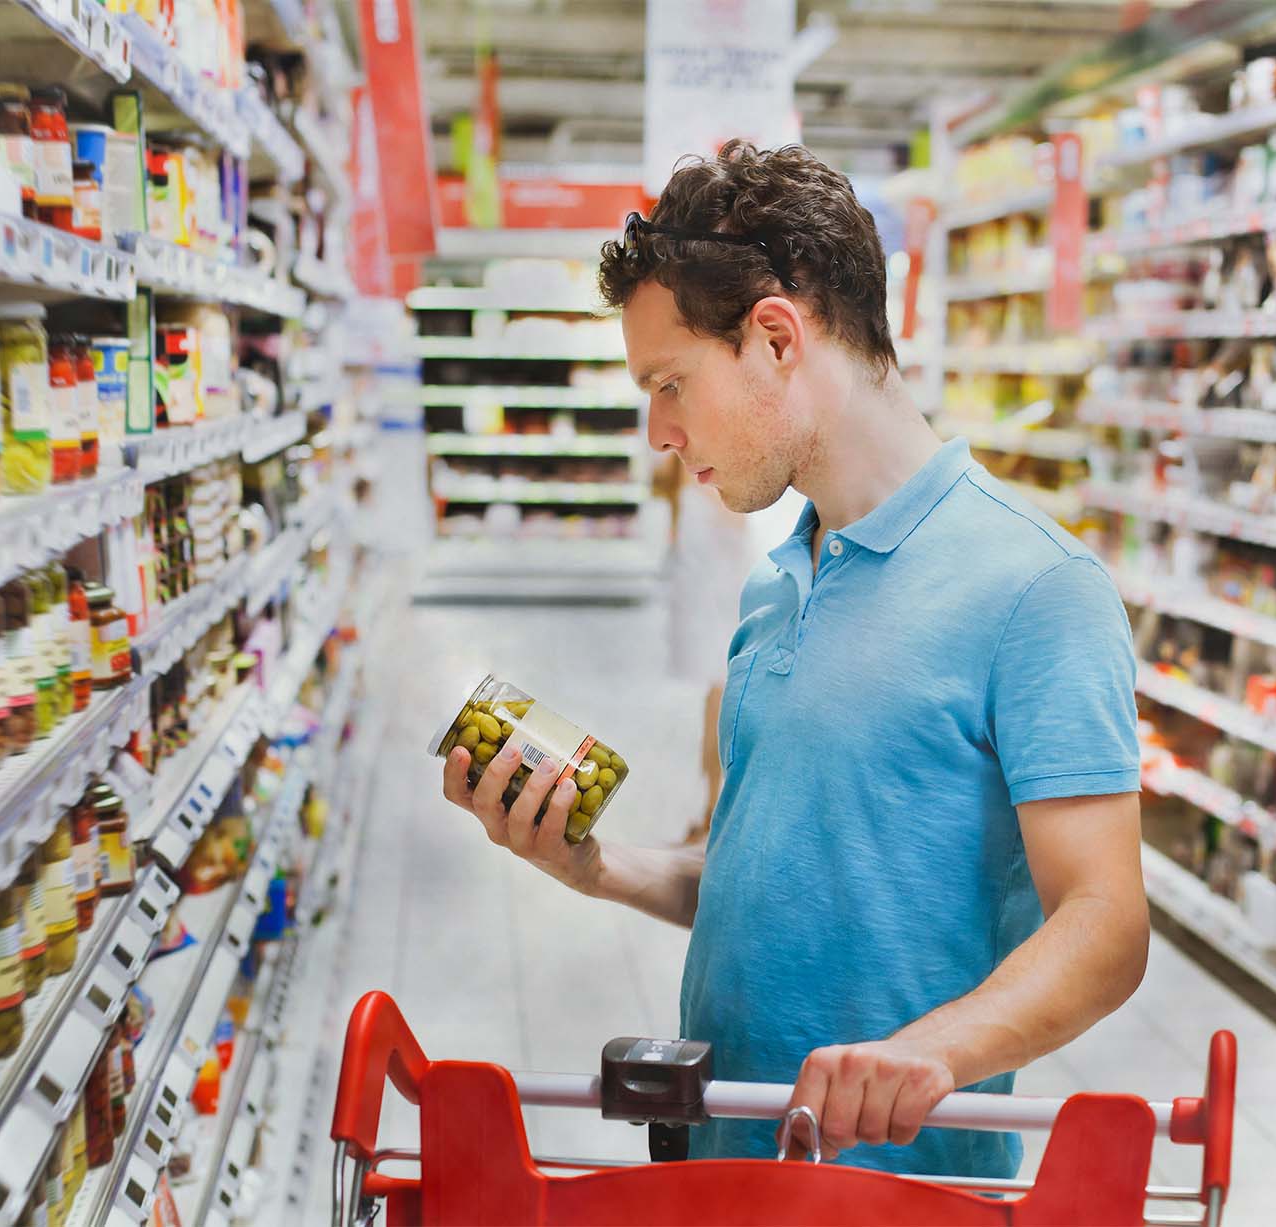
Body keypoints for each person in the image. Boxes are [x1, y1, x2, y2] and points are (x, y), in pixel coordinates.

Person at [439, 140, 1147, 1180]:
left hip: (902, 1191)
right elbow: (769, 877)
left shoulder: (1036, 588)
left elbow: (1105, 924)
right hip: (729, 1162)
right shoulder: (778, 578)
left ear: (775, 338)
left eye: (670, 382)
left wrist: (927, 1054)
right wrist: (598, 868)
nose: (658, 432)